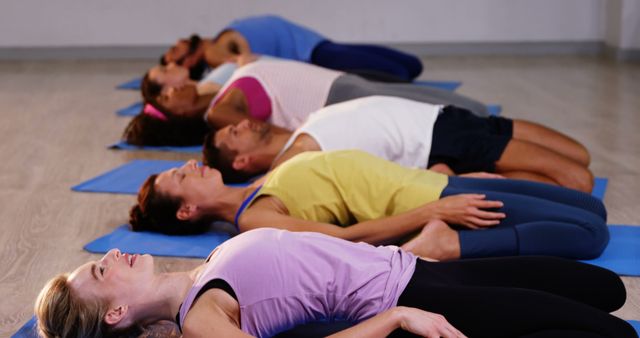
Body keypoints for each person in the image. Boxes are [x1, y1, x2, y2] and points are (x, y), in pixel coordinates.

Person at [34, 229, 637, 338]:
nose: (109, 255)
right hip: (414, 298)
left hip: (418, 268)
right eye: (99, 271)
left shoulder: (202, 270)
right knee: (612, 332)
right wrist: (397, 319)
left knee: (605, 288)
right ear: (113, 314)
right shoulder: (201, 318)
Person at [130, 150, 608, 261]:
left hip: (433, 181)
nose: (191, 164)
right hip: (431, 203)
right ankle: (447, 247)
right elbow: (341, 238)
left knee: (593, 207)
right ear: (186, 212)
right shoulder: (253, 218)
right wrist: (433, 214)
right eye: (179, 176)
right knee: (591, 235)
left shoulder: (257, 183)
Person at [205, 96, 593, 192]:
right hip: (438, 140)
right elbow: (257, 196)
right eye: (233, 135)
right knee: (579, 181)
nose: (239, 124)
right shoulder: (294, 158)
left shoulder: (297, 129)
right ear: (241, 162)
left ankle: (484, 175)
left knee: (581, 154)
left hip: (449, 116)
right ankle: (483, 180)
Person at [124, 58, 489, 146]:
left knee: (453, 106)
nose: (170, 91)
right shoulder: (220, 112)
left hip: (339, 84)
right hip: (338, 97)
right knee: (459, 111)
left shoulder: (215, 96)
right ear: (177, 115)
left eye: (166, 90)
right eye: (166, 99)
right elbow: (271, 135)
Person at [161, 15, 423, 82]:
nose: (176, 44)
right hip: (313, 55)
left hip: (317, 43)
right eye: (172, 54)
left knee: (413, 65)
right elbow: (243, 64)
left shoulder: (214, 40)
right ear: (187, 63)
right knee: (400, 72)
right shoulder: (212, 53)